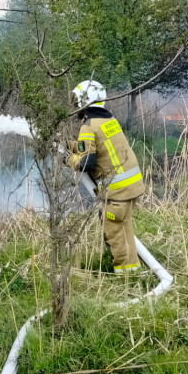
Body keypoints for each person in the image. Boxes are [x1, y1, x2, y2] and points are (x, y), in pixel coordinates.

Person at [68, 80, 146, 274]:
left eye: (77, 100)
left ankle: (126, 275)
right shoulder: (108, 120)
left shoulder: (87, 126)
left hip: (117, 192)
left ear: (84, 101)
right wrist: (73, 147)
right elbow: (96, 148)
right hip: (132, 186)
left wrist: (68, 160)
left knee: (114, 231)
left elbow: (87, 163)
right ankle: (134, 269)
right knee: (124, 227)